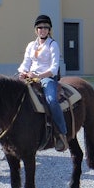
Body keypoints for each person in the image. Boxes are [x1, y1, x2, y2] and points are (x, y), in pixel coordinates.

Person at [17, 14, 68, 152]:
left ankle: (61, 133)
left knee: (51, 100)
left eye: (46, 27)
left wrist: (38, 76)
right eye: (40, 27)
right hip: (29, 76)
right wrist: (22, 72)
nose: (43, 30)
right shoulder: (31, 45)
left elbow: (54, 68)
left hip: (47, 78)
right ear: (36, 29)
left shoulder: (53, 45)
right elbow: (26, 63)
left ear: (49, 29)